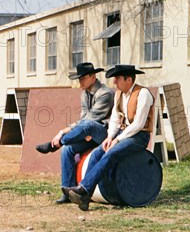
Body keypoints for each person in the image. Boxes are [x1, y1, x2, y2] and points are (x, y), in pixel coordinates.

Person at [64, 64, 155, 211]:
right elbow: (114, 119)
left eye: (117, 78)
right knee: (97, 154)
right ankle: (86, 195)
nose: (114, 82)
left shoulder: (143, 93)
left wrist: (118, 140)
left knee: (111, 153)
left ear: (129, 79)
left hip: (139, 137)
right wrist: (110, 137)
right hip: (121, 134)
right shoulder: (119, 94)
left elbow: (138, 124)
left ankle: (83, 189)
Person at [35, 62, 114, 204]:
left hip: (105, 134)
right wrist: (63, 132)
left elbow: (92, 119)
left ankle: (55, 145)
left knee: (89, 124)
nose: (80, 81)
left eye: (83, 78)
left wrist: (63, 133)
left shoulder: (105, 93)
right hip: (88, 132)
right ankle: (67, 191)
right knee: (67, 149)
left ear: (93, 76)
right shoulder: (84, 94)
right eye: (79, 79)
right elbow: (83, 119)